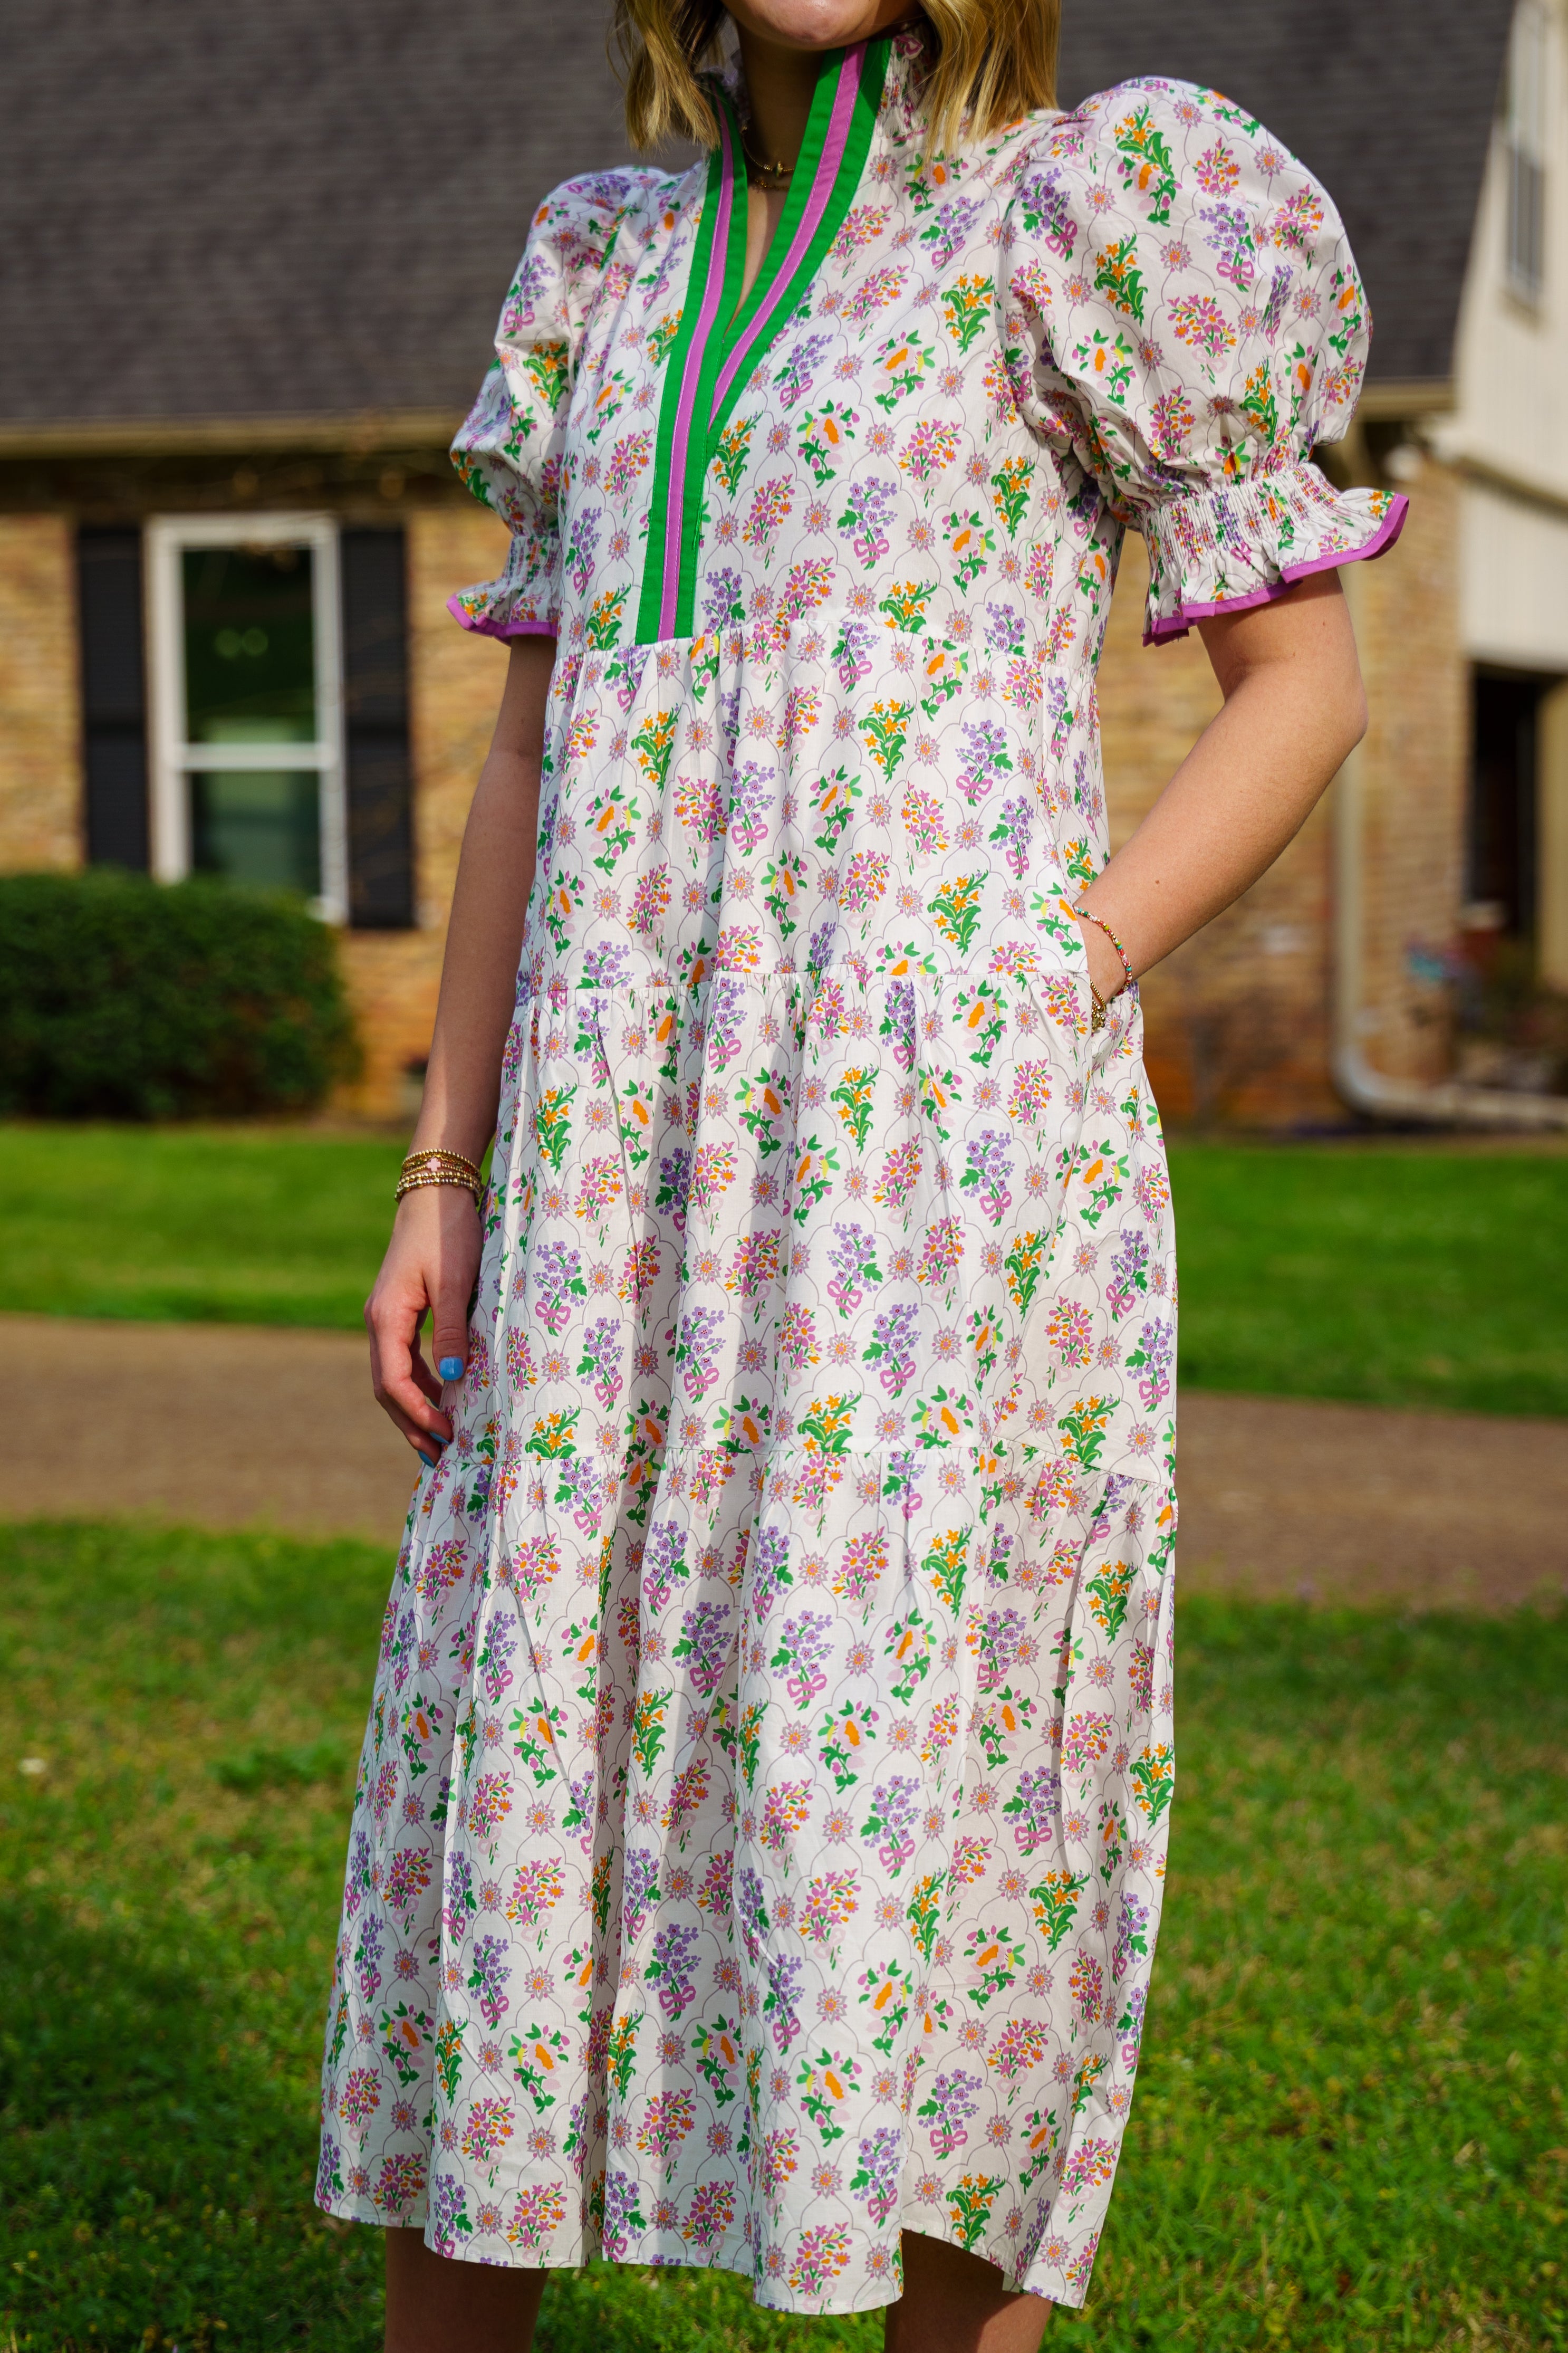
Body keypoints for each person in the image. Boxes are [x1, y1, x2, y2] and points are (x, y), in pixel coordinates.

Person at [318, 3, 1402, 2346]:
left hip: (936, 1162)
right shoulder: (601, 263)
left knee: (931, 1761)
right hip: (612, 1159)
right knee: (523, 1748)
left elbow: (1303, 686)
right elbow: (528, 750)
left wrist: (1060, 967)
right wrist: (445, 1155)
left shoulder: (1086, 210)